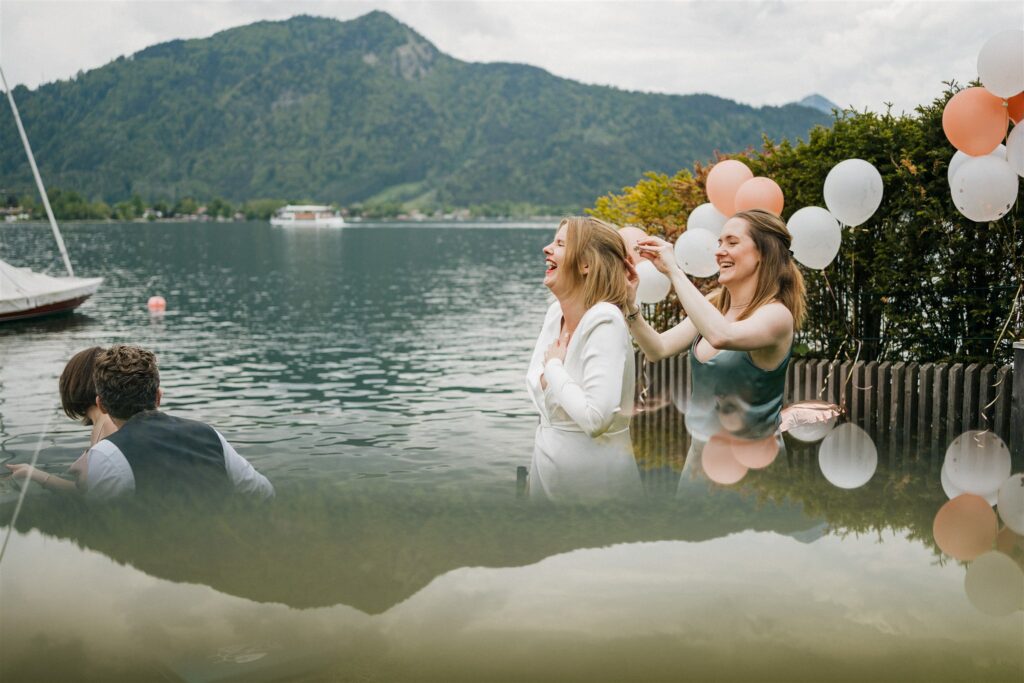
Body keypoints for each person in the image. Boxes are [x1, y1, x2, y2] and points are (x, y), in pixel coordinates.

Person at [626, 209, 806, 445]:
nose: (719, 251)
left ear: (764, 252)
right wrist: (629, 306)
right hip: (699, 464)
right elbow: (658, 349)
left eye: (732, 242)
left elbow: (721, 336)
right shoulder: (715, 306)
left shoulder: (777, 316)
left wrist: (674, 271)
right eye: (719, 242)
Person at [526, 216, 643, 502]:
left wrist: (554, 366)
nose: (546, 248)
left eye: (560, 243)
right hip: (546, 474)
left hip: (594, 487)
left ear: (586, 264)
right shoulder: (555, 314)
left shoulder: (605, 321)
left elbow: (596, 419)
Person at [76, 344, 274, 502]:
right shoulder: (209, 434)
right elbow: (264, 493)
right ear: (158, 397)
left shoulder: (106, 453)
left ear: (101, 405)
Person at [5, 346, 117, 492]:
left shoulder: (108, 425)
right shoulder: (103, 423)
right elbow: (88, 493)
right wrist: (31, 473)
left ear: (75, 383)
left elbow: (92, 497)